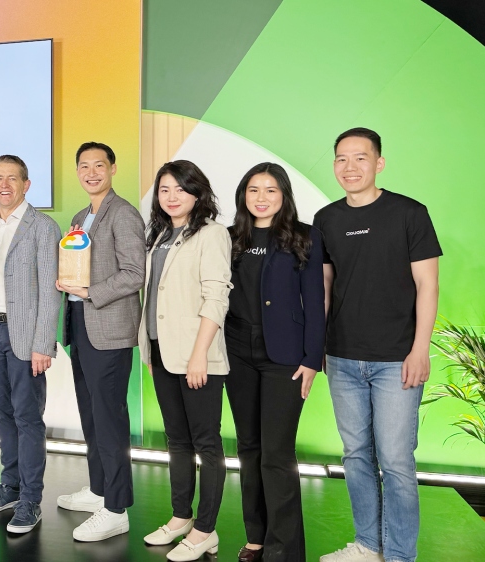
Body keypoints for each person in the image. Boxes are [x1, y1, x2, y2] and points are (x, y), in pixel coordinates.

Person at [316, 128, 441, 562]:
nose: (349, 167)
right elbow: (325, 288)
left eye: (360, 158)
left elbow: (428, 286)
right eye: (341, 159)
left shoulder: (409, 213)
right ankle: (368, 545)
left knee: (397, 461)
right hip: (342, 357)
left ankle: (401, 555)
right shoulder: (326, 219)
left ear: (379, 163)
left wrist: (420, 349)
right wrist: (319, 347)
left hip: (397, 359)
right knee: (356, 456)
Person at [224, 163, 325, 562]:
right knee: (248, 448)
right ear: (243, 195)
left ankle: (284, 550)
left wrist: (312, 359)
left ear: (283, 195)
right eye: (253, 190)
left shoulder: (304, 237)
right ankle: (257, 536)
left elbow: (315, 302)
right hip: (236, 352)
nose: (261, 198)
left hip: (285, 356)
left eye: (270, 190)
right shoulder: (230, 238)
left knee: (277, 454)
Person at [138, 160, 232, 561]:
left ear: (197, 192)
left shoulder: (212, 234)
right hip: (161, 351)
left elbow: (217, 297)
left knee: (206, 443)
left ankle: (205, 530)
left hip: (197, 356)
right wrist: (149, 348)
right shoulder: (159, 234)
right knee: (176, 440)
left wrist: (199, 356)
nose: (171, 196)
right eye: (164, 189)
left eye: (180, 188)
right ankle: (180, 517)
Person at [55, 142, 144, 542]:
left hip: (108, 330)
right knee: (91, 415)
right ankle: (98, 489)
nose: (91, 173)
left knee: (109, 419)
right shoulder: (81, 217)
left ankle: (116, 508)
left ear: (112, 169)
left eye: (99, 165)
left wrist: (89, 292)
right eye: (84, 166)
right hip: (81, 326)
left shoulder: (123, 214)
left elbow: (135, 273)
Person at [0, 155, 60, 534]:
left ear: (26, 184)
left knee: (27, 417)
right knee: (2, 412)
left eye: (12, 178)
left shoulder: (43, 227)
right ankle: (9, 486)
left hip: (24, 336)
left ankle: (30, 500)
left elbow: (52, 291)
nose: (4, 184)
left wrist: (43, 344)